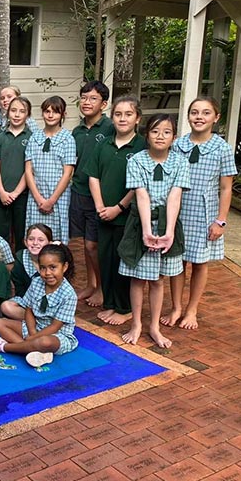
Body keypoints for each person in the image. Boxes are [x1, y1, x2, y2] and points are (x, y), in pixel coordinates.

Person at [117, 114, 190, 349]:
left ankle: (154, 327)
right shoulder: (136, 160)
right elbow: (141, 195)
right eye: (155, 131)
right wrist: (146, 232)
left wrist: (168, 232)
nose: (161, 136)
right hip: (141, 223)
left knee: (158, 279)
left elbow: (174, 196)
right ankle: (136, 323)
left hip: (167, 224)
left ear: (174, 137)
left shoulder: (180, 162)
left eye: (167, 132)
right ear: (146, 135)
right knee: (138, 277)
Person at [165, 97, 237, 330]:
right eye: (194, 112)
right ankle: (176, 306)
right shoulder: (177, 145)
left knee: (199, 263)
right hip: (178, 210)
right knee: (177, 262)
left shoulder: (222, 149)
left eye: (206, 113)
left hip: (204, 213)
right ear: (188, 116)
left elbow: (226, 188)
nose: (199, 117)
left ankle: (191, 309)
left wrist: (221, 221)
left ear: (216, 118)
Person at [84, 96, 147, 326]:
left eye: (128, 114)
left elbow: (140, 184)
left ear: (137, 118)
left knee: (123, 262)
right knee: (106, 259)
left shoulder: (142, 146)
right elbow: (93, 176)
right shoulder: (104, 144)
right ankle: (110, 303)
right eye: (118, 114)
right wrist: (100, 206)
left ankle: (124, 308)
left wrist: (118, 207)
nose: (123, 118)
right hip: (103, 214)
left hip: (127, 216)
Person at [0, 244, 78, 368]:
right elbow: (29, 309)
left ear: (65, 267)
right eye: (42, 268)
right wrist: (32, 333)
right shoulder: (36, 282)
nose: (47, 273)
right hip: (35, 327)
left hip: (57, 334)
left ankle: (3, 347)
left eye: (53, 267)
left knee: (44, 342)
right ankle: (31, 350)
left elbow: (55, 326)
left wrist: (35, 337)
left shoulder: (69, 294)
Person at [71, 80, 114, 307]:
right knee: (86, 245)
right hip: (79, 192)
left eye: (93, 98)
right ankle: (91, 284)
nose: (87, 102)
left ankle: (104, 289)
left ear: (104, 104)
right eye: (84, 97)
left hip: (102, 197)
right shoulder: (77, 131)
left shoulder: (110, 128)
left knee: (94, 245)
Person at [25, 96, 76, 244]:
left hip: (58, 197)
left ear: (63, 115)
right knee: (35, 237)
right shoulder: (34, 138)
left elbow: (68, 173)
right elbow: (28, 170)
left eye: (55, 112)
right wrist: (39, 198)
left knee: (55, 239)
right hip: (36, 197)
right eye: (47, 111)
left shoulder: (68, 139)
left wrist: (51, 201)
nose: (50, 115)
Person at [0, 96, 33, 250]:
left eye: (21, 111)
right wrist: (2, 192)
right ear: (7, 113)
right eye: (13, 110)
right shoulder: (0, 138)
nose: (16, 114)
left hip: (21, 195)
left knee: (21, 233)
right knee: (1, 234)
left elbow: (29, 169)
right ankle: (3, 267)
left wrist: (15, 192)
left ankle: (20, 266)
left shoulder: (32, 138)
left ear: (27, 115)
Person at [4, 224, 53, 319]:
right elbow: (19, 289)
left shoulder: (54, 258)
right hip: (27, 301)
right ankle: (37, 319)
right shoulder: (20, 258)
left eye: (41, 240)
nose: (35, 243)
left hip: (49, 302)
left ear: (49, 243)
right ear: (25, 242)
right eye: (31, 239)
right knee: (6, 307)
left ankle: (43, 319)